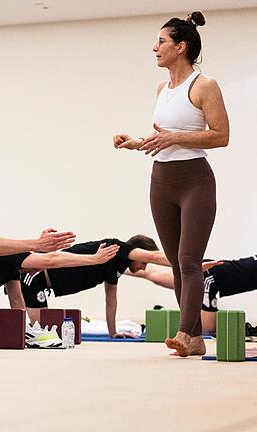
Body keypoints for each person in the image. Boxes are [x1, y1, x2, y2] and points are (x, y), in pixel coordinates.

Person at [113, 11, 229, 356]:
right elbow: (164, 137)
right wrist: (137, 142)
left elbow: (221, 136)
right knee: (176, 263)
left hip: (195, 180)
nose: (154, 48)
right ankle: (193, 340)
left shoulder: (204, 85)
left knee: (189, 260)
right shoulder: (162, 88)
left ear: (181, 47)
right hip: (161, 181)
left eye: (161, 41)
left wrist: (178, 137)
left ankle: (182, 333)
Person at [20, 236, 169, 338]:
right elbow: (156, 257)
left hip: (41, 283)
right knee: (42, 336)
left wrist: (113, 333)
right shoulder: (116, 247)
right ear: (137, 252)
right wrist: (186, 261)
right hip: (34, 277)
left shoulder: (117, 266)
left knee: (43, 335)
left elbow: (111, 300)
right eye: (144, 261)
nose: (144, 267)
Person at [126, 257, 251, 335]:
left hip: (209, 272)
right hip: (209, 276)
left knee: (156, 276)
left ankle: (120, 268)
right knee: (206, 329)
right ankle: (160, 321)